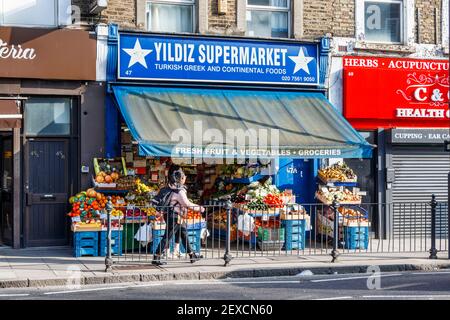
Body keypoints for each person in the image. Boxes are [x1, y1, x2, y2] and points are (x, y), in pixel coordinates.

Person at [152, 165, 205, 265]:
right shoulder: (179, 191)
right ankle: (156, 257)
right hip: (175, 216)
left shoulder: (169, 187)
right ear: (180, 178)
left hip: (172, 215)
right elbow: (187, 204)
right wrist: (200, 208)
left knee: (184, 234)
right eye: (184, 176)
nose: (185, 178)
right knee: (167, 237)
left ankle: (192, 255)